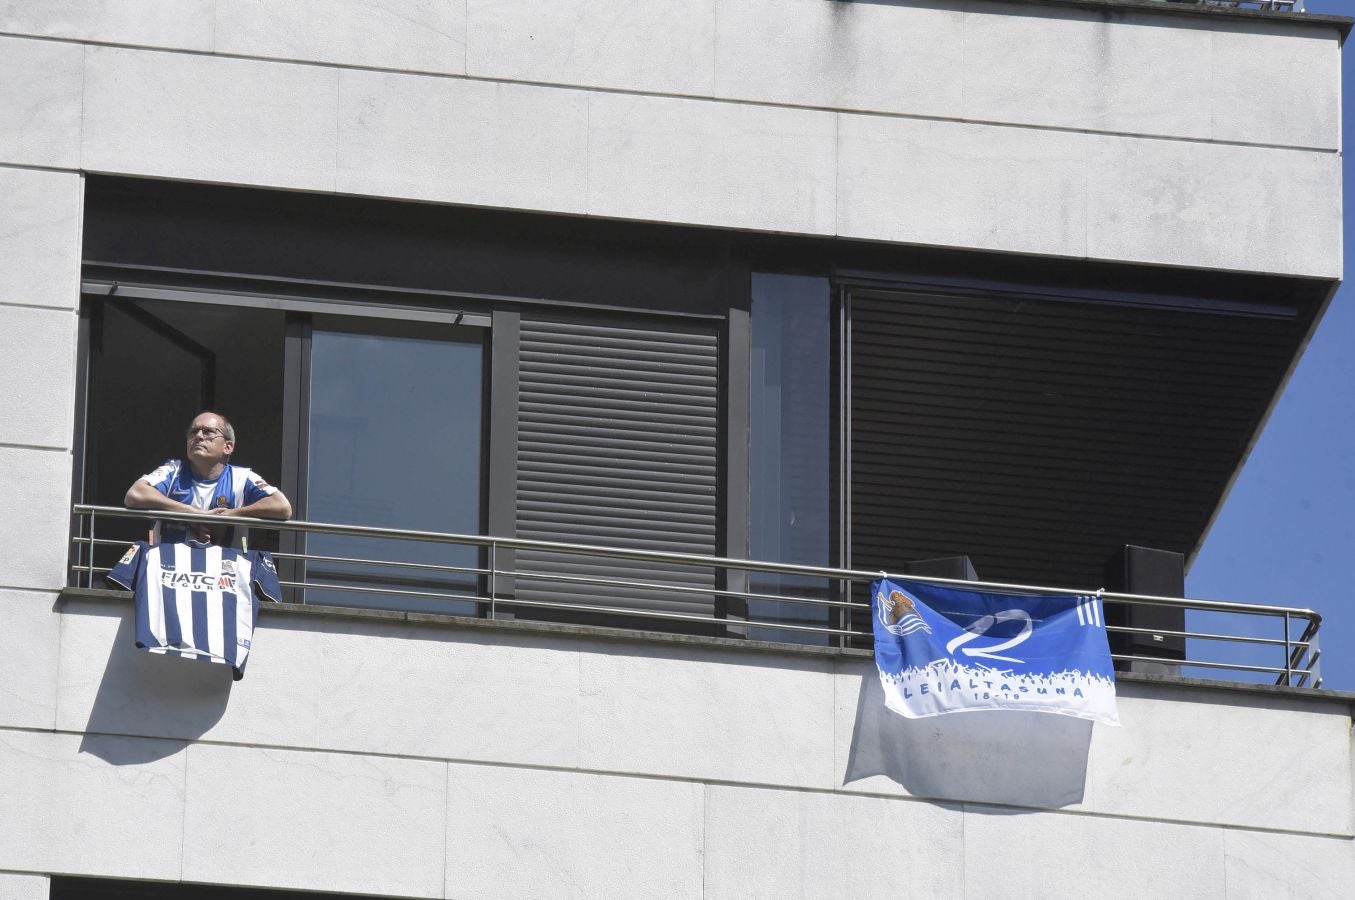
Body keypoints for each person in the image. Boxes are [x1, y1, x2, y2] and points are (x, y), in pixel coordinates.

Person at [125, 412, 292, 544]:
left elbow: (282, 507)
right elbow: (135, 495)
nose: (198, 436)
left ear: (228, 446)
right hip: (168, 575)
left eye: (208, 431)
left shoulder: (242, 477)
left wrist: (231, 515)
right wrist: (192, 514)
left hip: (226, 577)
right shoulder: (173, 469)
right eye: (193, 432)